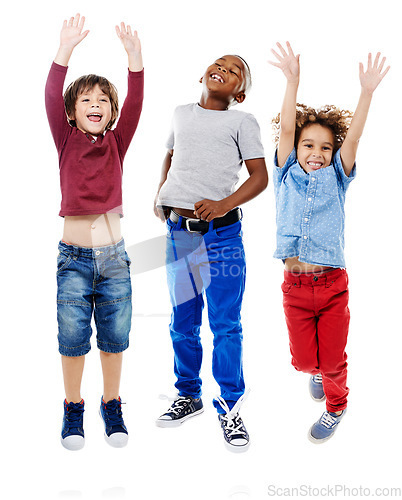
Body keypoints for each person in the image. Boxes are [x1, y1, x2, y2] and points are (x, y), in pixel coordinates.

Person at [269, 42, 389, 443]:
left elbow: (352, 138)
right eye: (309, 145)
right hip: (296, 288)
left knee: (335, 361)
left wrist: (366, 93)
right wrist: (292, 81)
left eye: (325, 147)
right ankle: (318, 370)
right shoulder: (286, 173)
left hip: (333, 284)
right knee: (305, 363)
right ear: (296, 149)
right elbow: (287, 127)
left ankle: (337, 406)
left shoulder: (338, 176)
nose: (316, 153)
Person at [153, 54, 268, 452]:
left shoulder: (241, 121)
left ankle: (230, 406)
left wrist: (222, 204)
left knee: (225, 323)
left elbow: (260, 176)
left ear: (240, 91)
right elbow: (171, 154)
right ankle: (189, 395)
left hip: (223, 237)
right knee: (182, 320)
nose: (225, 69)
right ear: (202, 74)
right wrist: (160, 193)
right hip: (179, 235)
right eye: (219, 63)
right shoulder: (180, 114)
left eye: (236, 70)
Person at [45, 14, 144, 450]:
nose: (95, 103)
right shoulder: (65, 141)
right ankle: (72, 407)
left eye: (103, 99)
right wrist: (64, 52)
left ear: (111, 112)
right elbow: (51, 95)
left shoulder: (117, 143)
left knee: (114, 336)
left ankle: (112, 403)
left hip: (114, 258)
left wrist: (135, 61)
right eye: (86, 99)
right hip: (74, 258)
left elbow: (136, 102)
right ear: (72, 112)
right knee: (72, 339)